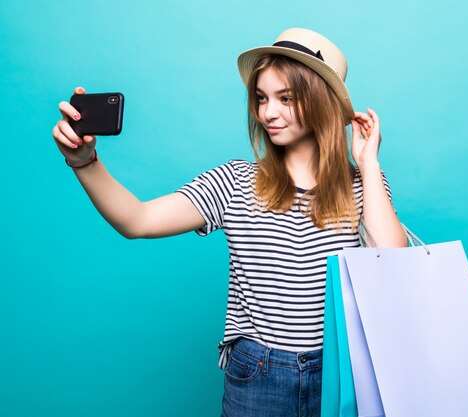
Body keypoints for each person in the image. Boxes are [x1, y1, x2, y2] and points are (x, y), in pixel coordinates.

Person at [52, 28, 407, 417]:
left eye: (285, 98)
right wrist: (83, 161)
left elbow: (389, 262)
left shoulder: (363, 187)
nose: (268, 112)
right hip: (259, 373)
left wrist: (369, 164)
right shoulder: (236, 182)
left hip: (341, 369)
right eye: (261, 98)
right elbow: (138, 220)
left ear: (321, 101)